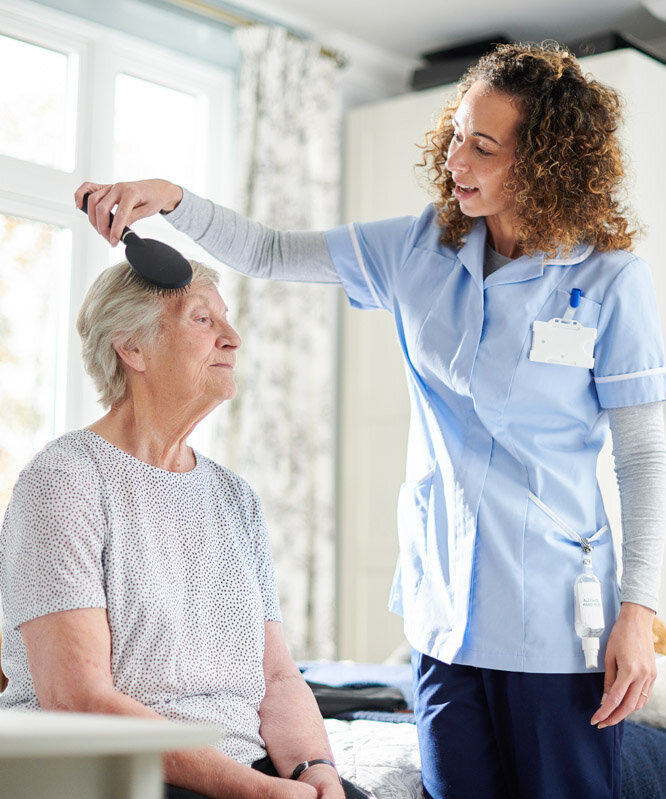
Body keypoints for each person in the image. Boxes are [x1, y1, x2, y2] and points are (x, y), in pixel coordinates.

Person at [75, 41, 666, 799]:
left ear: (546, 162)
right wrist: (174, 200)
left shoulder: (608, 279)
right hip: (442, 617)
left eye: (483, 147)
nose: (457, 159)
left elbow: (645, 457)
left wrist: (639, 612)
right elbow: (268, 250)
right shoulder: (421, 246)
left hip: (555, 620)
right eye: (457, 134)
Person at [0, 259, 368, 799]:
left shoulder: (233, 497)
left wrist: (317, 773)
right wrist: (256, 791)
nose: (233, 338)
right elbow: (78, 701)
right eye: (202, 320)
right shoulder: (64, 481)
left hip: (241, 767)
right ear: (133, 348)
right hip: (113, 770)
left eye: (227, 318)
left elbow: (279, 678)